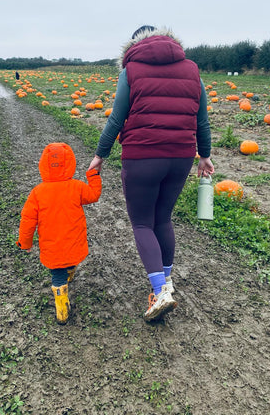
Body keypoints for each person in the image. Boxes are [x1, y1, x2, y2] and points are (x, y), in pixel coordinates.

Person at [89, 25, 214, 322]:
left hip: (143, 156)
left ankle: (160, 292)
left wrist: (100, 155)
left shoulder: (131, 70)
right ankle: (166, 284)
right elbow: (203, 120)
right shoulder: (191, 69)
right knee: (163, 219)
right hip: (181, 156)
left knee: (143, 223)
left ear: (134, 44)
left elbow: (116, 119)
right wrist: (205, 156)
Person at [17, 142, 102, 324]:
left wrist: (25, 243)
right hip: (73, 242)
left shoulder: (37, 193)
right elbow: (94, 194)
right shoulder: (77, 187)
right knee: (70, 258)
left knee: (57, 274)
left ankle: (61, 307)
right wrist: (93, 174)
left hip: (52, 246)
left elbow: (27, 220)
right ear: (70, 163)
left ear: (43, 166)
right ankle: (69, 272)